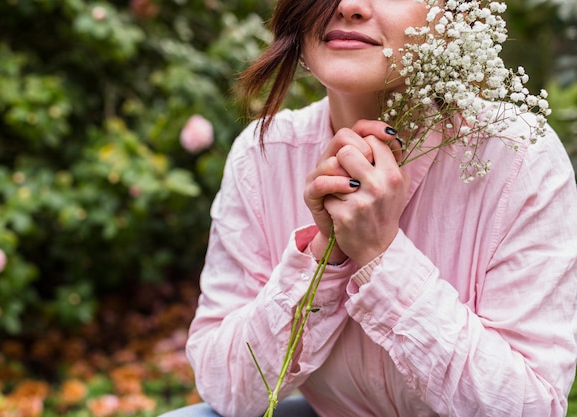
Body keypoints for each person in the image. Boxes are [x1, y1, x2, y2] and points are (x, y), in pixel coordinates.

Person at [161, 0, 577, 415]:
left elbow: (531, 406)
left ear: (454, 17)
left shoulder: (517, 158)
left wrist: (382, 255)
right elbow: (226, 389)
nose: (350, 6)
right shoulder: (264, 155)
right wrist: (325, 252)